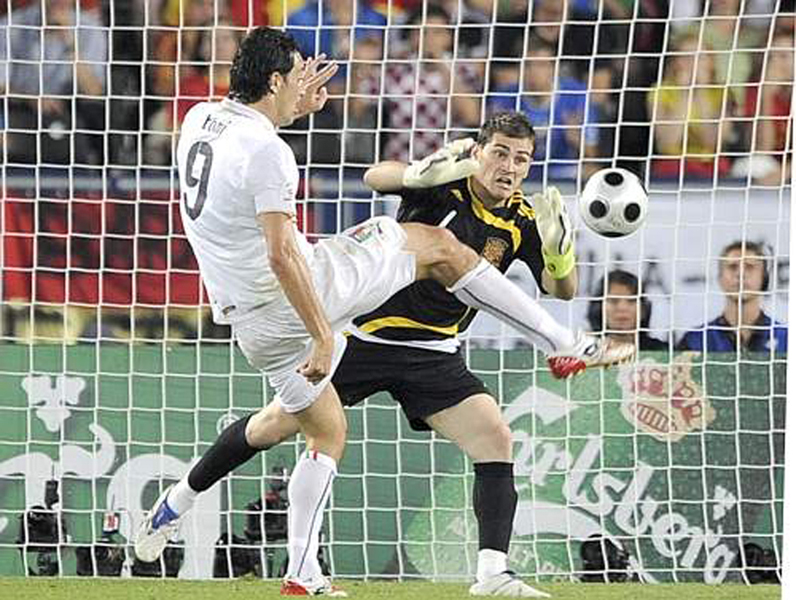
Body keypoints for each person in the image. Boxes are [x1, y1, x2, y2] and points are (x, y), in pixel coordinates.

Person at [134, 27, 634, 596]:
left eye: (522, 158)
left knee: (329, 435)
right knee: (437, 246)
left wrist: (296, 106)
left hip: (255, 319)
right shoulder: (281, 155)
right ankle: (563, 343)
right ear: (274, 80)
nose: (306, 84)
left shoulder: (200, 118)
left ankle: (233, 537)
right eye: (298, 76)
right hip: (320, 309)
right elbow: (283, 247)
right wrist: (323, 336)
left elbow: (249, 150)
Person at [678, 240, 787, 352]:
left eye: (749, 267)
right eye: (732, 267)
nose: (740, 274)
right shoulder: (696, 340)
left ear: (764, 278)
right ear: (720, 278)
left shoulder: (786, 338)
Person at [587, 270, 668, 351]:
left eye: (631, 301)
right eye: (613, 301)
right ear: (599, 308)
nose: (622, 308)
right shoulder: (588, 351)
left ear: (643, 309)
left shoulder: (662, 351)